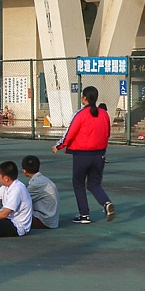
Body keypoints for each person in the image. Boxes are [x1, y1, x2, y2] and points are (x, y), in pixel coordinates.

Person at [53, 86, 116, 224]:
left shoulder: (80, 114)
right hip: (99, 155)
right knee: (94, 184)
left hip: (82, 155)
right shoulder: (104, 114)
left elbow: (70, 133)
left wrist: (59, 145)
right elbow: (107, 133)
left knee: (78, 184)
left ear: (84, 98)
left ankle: (84, 215)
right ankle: (106, 202)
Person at [21, 155, 60, 229]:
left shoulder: (36, 183)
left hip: (44, 220)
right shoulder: (43, 179)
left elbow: (21, 201)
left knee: (14, 214)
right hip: (51, 219)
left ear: (24, 171)